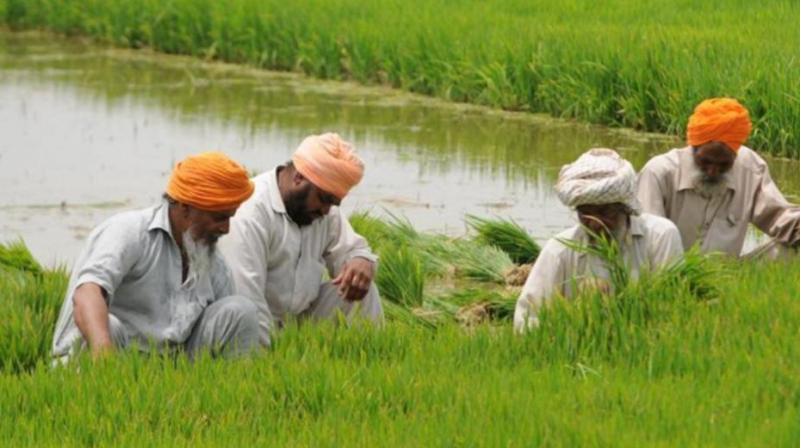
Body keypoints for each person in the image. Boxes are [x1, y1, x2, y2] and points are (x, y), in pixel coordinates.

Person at [51, 152, 261, 363]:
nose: (225, 228)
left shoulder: (213, 262)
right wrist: (105, 360)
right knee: (108, 325)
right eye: (219, 218)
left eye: (229, 218)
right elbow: (86, 294)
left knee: (240, 311)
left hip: (167, 371)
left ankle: (234, 388)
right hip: (111, 359)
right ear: (185, 208)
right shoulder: (130, 232)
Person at [219, 133, 382, 344]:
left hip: (296, 322)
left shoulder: (320, 210)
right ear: (299, 178)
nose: (326, 210)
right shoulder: (250, 213)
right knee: (246, 311)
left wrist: (361, 260)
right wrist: (271, 363)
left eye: (333, 203)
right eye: (324, 200)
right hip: (247, 324)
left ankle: (375, 356)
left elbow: (352, 251)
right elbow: (247, 299)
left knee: (361, 287)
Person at [513, 148, 683, 332]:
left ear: (624, 207)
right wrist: (567, 327)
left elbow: (671, 310)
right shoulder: (559, 250)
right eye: (585, 213)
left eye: (604, 212)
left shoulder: (660, 236)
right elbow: (526, 317)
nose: (594, 224)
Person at [637, 97, 800, 258]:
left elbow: (779, 217)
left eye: (723, 165)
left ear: (735, 155)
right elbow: (646, 238)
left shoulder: (750, 168)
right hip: (667, 270)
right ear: (692, 148)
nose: (713, 171)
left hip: (731, 275)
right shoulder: (659, 173)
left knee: (790, 250)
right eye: (705, 161)